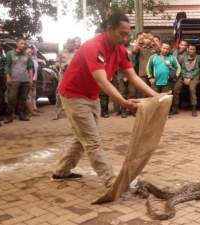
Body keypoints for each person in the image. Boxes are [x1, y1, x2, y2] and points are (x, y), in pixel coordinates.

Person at [52, 13, 158, 185]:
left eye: (127, 34)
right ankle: (110, 181)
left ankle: (61, 171)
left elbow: (132, 75)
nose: (125, 38)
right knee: (92, 140)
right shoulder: (94, 46)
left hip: (91, 95)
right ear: (109, 29)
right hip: (73, 95)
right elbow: (102, 80)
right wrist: (123, 103)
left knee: (83, 136)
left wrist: (155, 96)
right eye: (121, 33)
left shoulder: (120, 49)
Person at [4, 38, 33, 123]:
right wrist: (8, 77)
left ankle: (22, 115)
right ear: (17, 44)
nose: (23, 45)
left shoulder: (27, 55)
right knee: (12, 98)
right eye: (21, 43)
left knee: (23, 98)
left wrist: (30, 79)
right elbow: (7, 66)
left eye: (24, 44)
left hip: (25, 80)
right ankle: (9, 116)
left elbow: (30, 68)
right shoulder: (10, 53)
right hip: (14, 80)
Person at [173, 44, 200, 117]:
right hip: (184, 75)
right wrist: (185, 77)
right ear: (187, 50)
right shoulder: (183, 57)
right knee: (176, 89)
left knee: (192, 89)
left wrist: (190, 77)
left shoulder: (198, 57)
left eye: (194, 49)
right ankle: (175, 108)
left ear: (195, 50)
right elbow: (182, 68)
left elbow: (197, 69)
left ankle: (194, 108)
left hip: (194, 76)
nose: (192, 51)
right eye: (191, 49)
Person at [129, 32, 158, 99]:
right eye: (145, 38)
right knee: (142, 93)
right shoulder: (140, 48)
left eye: (149, 39)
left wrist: (153, 39)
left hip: (153, 74)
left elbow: (160, 50)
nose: (147, 40)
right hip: (143, 73)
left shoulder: (153, 48)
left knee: (153, 92)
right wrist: (138, 40)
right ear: (143, 40)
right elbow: (134, 51)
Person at [53, 38, 76, 120]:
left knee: (75, 93)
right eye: (69, 44)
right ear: (66, 44)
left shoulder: (77, 52)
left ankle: (74, 113)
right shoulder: (61, 52)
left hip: (74, 75)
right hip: (63, 74)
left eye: (72, 44)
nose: (71, 45)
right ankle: (57, 112)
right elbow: (56, 63)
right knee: (59, 92)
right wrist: (61, 66)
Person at [171, 40, 189, 115]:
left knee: (176, 91)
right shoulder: (173, 51)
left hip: (181, 75)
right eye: (182, 44)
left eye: (185, 45)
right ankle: (169, 108)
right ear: (179, 45)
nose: (183, 46)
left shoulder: (187, 54)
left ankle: (175, 108)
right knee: (169, 91)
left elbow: (187, 67)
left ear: (186, 47)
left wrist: (186, 77)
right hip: (171, 74)